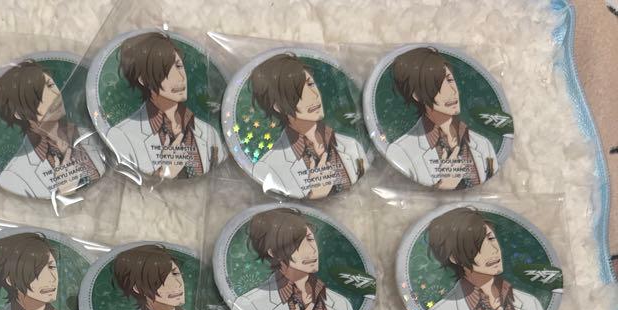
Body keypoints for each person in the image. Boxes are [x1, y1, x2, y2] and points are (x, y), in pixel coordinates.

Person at [419, 207, 548, 310]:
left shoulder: (531, 303)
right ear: (455, 258)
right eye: (477, 245)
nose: (493, 250)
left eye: (491, 238)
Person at [246, 52, 366, 199]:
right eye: (298, 93)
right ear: (278, 106)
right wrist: (314, 194)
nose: (313, 96)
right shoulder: (267, 168)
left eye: (310, 84)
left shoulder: (352, 146)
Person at [105, 31, 223, 178]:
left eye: (179, 66)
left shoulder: (209, 133)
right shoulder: (120, 136)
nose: (180, 78)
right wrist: (162, 174)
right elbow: (126, 187)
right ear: (144, 80)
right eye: (167, 71)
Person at [232, 208, 355, 310]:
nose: (312, 251)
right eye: (296, 244)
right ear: (274, 252)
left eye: (310, 239)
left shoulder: (342, 304)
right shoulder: (248, 306)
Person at [0, 59, 106, 199]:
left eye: (50, 85)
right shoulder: (14, 176)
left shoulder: (93, 134)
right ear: (19, 114)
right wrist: (65, 193)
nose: (54, 96)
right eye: (38, 95)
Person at [386, 46, 497, 189]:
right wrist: (442, 186)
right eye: (438, 86)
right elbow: (406, 197)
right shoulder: (400, 152)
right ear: (417, 95)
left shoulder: (483, 145)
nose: (452, 92)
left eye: (450, 80)